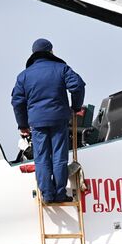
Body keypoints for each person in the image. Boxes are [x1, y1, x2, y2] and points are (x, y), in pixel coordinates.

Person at [11, 38, 85, 203]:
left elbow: (17, 102)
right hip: (59, 119)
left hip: (37, 122)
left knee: (42, 157)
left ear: (33, 54)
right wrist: (76, 107)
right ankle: (59, 194)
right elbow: (78, 86)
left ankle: (47, 195)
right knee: (59, 156)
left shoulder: (24, 76)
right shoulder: (62, 69)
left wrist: (22, 124)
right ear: (51, 51)